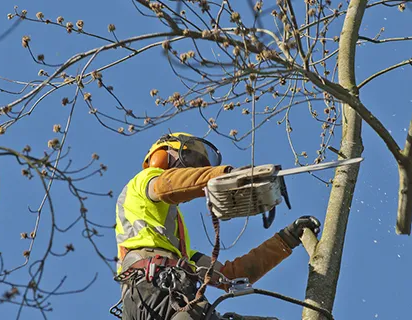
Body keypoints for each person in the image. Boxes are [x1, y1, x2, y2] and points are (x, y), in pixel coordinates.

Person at [113, 132, 321, 320]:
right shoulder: (144, 181)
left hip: (151, 296)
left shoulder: (179, 253)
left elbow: (232, 275)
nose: (191, 170)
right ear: (162, 155)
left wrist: (285, 240)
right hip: (153, 288)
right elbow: (169, 184)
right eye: (188, 160)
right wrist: (226, 175)